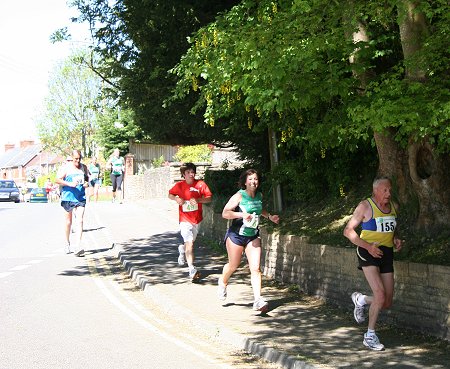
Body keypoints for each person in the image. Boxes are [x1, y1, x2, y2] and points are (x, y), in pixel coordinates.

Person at [343, 176, 403, 351]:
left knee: (387, 301)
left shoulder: (392, 207)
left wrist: (396, 238)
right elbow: (348, 231)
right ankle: (370, 335)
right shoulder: (365, 206)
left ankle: (361, 300)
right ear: (376, 190)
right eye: (385, 190)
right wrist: (368, 247)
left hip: (386, 252)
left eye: (390, 190)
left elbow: (392, 226)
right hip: (367, 251)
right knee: (380, 293)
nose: (388, 193)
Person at [217, 168, 279, 313]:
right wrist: (242, 214)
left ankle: (258, 300)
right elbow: (225, 213)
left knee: (256, 268)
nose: (253, 182)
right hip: (236, 236)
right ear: (245, 182)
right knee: (233, 265)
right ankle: (223, 282)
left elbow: (259, 209)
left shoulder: (259, 196)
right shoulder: (239, 196)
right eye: (250, 179)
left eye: (256, 179)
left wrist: (269, 216)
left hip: (252, 235)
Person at [168, 162, 212, 281]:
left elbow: (209, 198)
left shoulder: (200, 184)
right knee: (190, 243)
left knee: (189, 243)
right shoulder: (179, 185)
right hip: (184, 219)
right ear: (183, 174)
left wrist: (198, 200)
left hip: (196, 220)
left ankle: (182, 250)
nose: (191, 174)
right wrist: (177, 198)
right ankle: (191, 269)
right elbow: (170, 194)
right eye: (188, 172)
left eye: (192, 172)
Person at [55, 150, 89, 256]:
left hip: (80, 197)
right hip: (68, 197)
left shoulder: (84, 167)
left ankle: (78, 245)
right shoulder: (66, 168)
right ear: (72, 158)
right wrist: (69, 183)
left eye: (79, 159)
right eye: (76, 159)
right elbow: (57, 180)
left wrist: (86, 184)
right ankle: (67, 242)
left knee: (80, 220)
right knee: (68, 222)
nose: (77, 161)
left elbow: (87, 179)